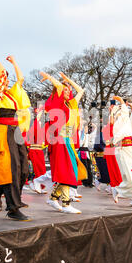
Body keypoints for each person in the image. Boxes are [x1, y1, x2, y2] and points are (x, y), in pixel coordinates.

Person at [0, 50, 31, 221]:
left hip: (15, 131)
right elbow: (1, 73)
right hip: (3, 132)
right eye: (3, 79)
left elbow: (20, 79)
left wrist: (14, 62)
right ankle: (13, 208)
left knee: (24, 168)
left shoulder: (10, 95)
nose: (6, 80)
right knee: (12, 169)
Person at [41, 71, 87, 214]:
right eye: (64, 89)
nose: (67, 91)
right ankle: (66, 204)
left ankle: (53, 198)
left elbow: (81, 90)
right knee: (66, 171)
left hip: (67, 141)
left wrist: (68, 80)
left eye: (68, 90)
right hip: (59, 140)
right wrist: (51, 78)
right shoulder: (58, 103)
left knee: (68, 170)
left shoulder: (71, 104)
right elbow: (58, 87)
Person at [111, 96, 132, 207]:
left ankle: (118, 190)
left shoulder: (126, 120)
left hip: (130, 149)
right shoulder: (119, 118)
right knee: (130, 174)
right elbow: (124, 116)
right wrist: (121, 101)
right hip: (123, 149)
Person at [26, 106, 48, 194]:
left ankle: (39, 185)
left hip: (39, 150)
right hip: (34, 150)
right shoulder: (33, 124)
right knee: (38, 169)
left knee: (42, 169)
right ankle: (36, 183)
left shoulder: (40, 125)